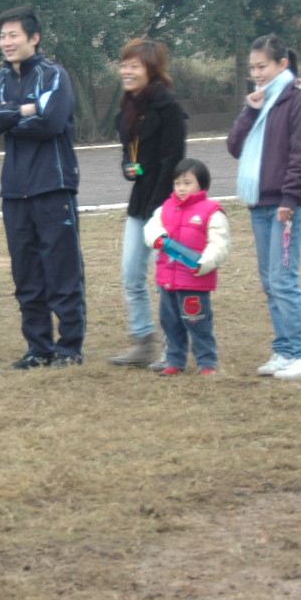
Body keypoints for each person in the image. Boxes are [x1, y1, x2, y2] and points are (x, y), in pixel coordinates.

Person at [0, 5, 85, 369]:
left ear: (33, 38)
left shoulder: (54, 75)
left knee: (62, 270)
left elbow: (51, 121)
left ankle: (69, 348)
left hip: (53, 185)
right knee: (26, 274)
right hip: (14, 191)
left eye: (13, 35)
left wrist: (7, 115)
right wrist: (25, 110)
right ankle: (38, 348)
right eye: (2, 36)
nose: (6, 42)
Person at [227, 34, 301, 380]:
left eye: (262, 66)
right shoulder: (261, 100)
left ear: (282, 64)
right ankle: (285, 350)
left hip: (286, 205)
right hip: (260, 203)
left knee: (284, 280)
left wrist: (291, 199)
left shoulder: (300, 95)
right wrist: (250, 111)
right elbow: (235, 146)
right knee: (270, 281)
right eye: (252, 68)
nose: (257, 74)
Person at [109, 38, 188, 369]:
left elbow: (173, 161)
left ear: (151, 70)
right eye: (124, 65)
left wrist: (161, 209)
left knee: (169, 278)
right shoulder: (128, 109)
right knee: (131, 273)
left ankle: (175, 347)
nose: (126, 71)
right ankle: (143, 342)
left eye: (134, 66)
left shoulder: (168, 108)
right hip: (139, 203)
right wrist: (128, 167)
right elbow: (128, 154)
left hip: (165, 206)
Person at [143, 158, 228, 376]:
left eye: (187, 183)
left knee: (198, 323)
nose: (181, 188)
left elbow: (219, 245)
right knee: (170, 323)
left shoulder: (212, 212)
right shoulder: (165, 208)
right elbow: (151, 228)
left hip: (194, 281)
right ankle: (174, 361)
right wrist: (158, 238)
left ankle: (206, 363)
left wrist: (203, 263)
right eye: (177, 183)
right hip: (168, 281)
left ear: (202, 184)